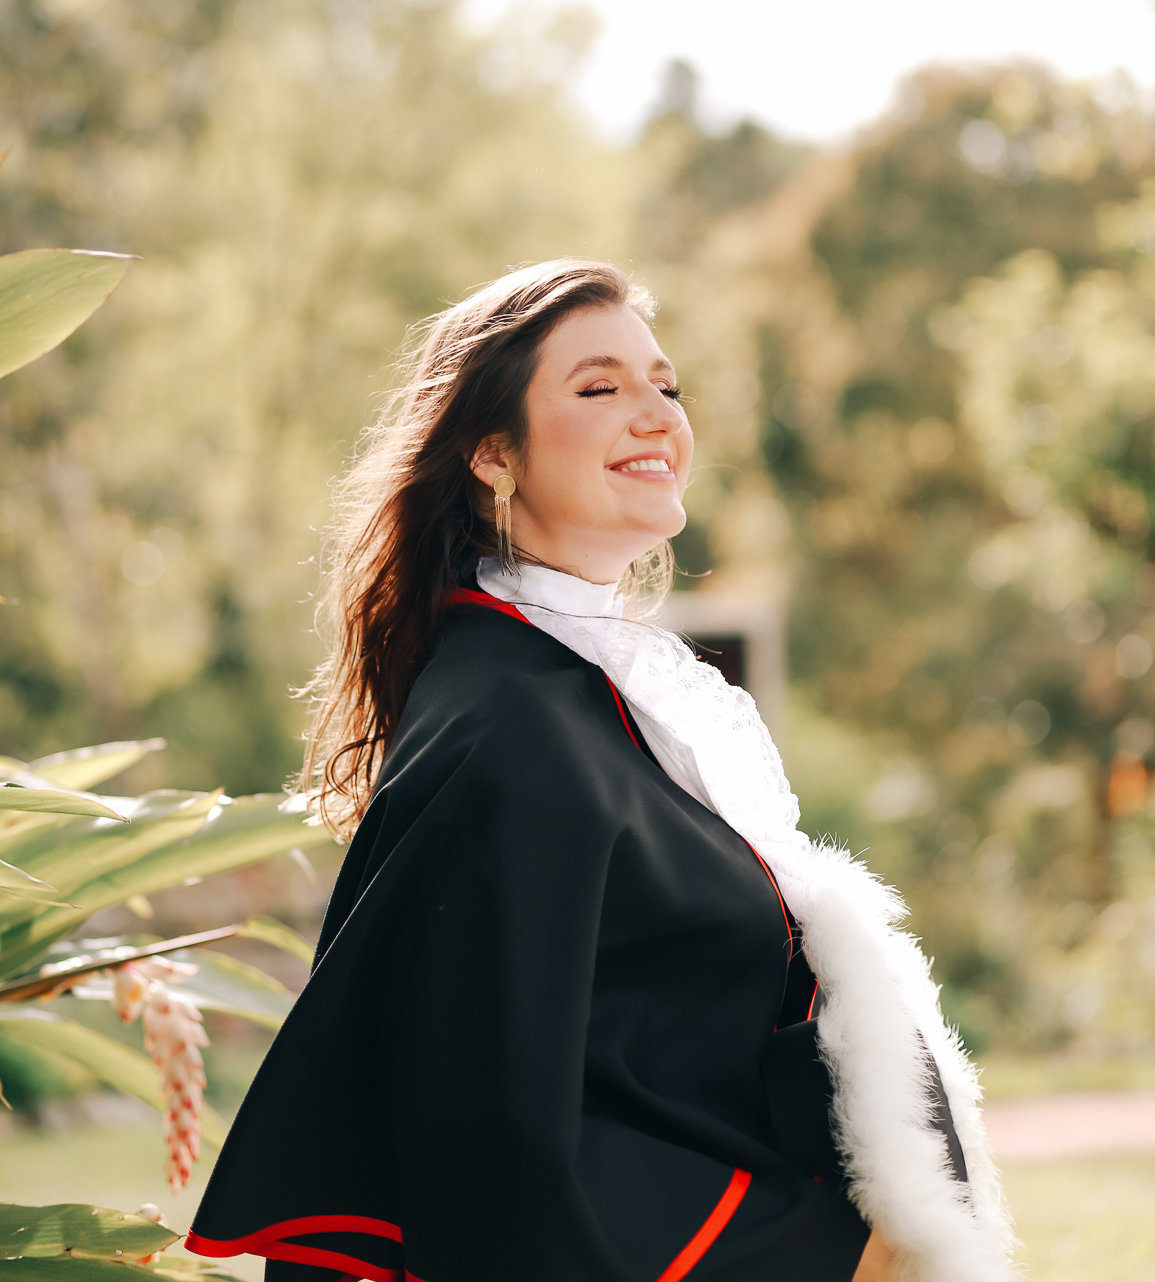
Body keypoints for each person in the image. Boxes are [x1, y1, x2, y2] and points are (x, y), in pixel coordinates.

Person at [188, 260, 1015, 1282]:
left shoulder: (590, 691)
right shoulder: (504, 725)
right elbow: (488, 1121)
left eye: (665, 384)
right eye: (598, 387)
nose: (657, 414)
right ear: (494, 454)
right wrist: (822, 1252)